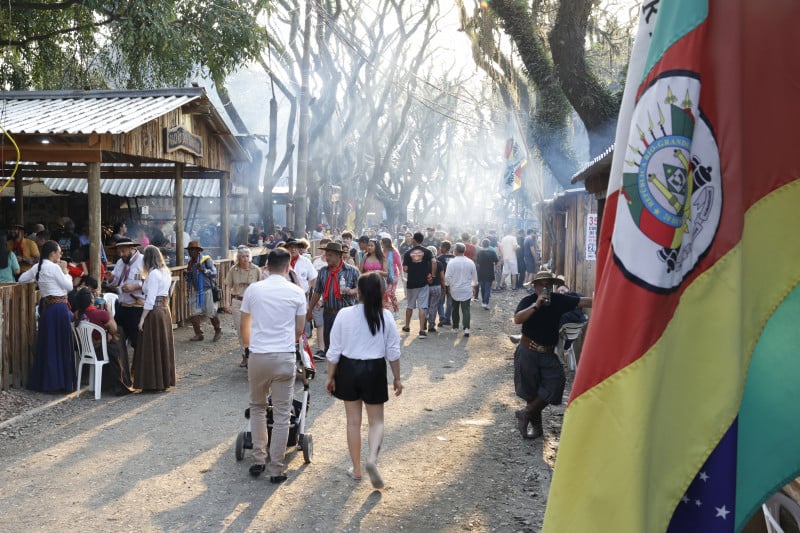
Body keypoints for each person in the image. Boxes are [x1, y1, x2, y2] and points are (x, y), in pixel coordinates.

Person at [325, 271, 402, 489]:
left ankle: (357, 469)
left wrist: (330, 376)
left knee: (353, 422)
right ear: (381, 292)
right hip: (374, 369)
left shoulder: (344, 314)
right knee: (376, 421)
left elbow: (334, 350)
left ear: (358, 291)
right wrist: (397, 378)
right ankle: (372, 460)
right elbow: (393, 351)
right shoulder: (385, 316)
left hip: (348, 369)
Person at [240, 248, 307, 484]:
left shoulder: (254, 290)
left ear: (266, 266)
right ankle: (277, 468)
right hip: (284, 356)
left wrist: (249, 348)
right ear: (289, 267)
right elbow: (299, 330)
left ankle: (259, 458)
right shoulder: (297, 292)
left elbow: (244, 325)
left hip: (259, 355)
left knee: (257, 406)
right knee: (281, 413)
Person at [512, 270, 592, 440]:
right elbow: (517, 319)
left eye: (549, 284)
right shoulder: (528, 301)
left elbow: (583, 301)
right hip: (528, 350)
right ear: (535, 286)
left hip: (548, 352)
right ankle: (537, 427)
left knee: (557, 382)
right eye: (542, 284)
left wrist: (610, 298)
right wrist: (537, 304)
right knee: (531, 391)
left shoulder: (559, 300)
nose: (546, 287)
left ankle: (525, 413)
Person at [19, 241, 75, 392]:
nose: (61, 254)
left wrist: (38, 281)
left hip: (48, 309)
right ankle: (59, 383)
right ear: (52, 253)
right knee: (60, 344)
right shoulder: (55, 267)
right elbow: (69, 287)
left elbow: (22, 279)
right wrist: (66, 272)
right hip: (59, 308)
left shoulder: (37, 267)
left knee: (48, 345)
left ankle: (46, 382)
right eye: (59, 252)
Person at [72, 287, 134, 395]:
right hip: (101, 351)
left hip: (86, 351)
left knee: (113, 338)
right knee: (119, 337)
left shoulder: (76, 315)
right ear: (91, 300)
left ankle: (107, 382)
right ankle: (121, 382)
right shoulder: (100, 314)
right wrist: (109, 311)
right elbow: (114, 329)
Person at [132, 246, 176, 391]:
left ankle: (152, 382)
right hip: (164, 310)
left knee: (152, 346)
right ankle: (163, 381)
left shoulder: (154, 274)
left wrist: (142, 318)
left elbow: (150, 300)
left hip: (155, 312)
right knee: (162, 345)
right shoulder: (165, 272)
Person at [306, 242, 360, 355]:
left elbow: (361, 289)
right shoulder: (323, 272)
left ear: (339, 256)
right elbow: (317, 292)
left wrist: (352, 291)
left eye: (330, 255)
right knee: (330, 346)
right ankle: (333, 369)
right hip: (329, 313)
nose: (327, 258)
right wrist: (310, 310)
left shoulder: (352, 271)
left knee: (346, 346)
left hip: (347, 314)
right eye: (326, 254)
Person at [106, 238, 145, 362]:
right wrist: (111, 278)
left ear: (132, 248)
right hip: (121, 306)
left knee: (138, 342)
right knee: (116, 337)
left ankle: (137, 371)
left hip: (137, 308)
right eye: (119, 252)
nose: (121, 255)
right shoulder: (120, 262)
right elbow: (116, 281)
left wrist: (135, 286)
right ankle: (121, 371)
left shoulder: (143, 261)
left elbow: (151, 282)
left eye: (123, 251)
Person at [223, 246, 262, 367]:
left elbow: (262, 287)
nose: (245, 259)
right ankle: (244, 355)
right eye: (242, 256)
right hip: (238, 301)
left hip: (253, 303)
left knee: (254, 329)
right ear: (238, 258)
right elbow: (227, 286)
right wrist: (226, 302)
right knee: (241, 330)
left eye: (247, 256)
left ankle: (254, 355)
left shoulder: (256, 270)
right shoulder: (233, 270)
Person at [185, 240, 223, 342]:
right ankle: (198, 334)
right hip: (197, 291)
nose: (190, 252)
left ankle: (218, 330)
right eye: (189, 250)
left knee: (211, 311)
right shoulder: (191, 264)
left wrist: (203, 270)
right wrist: (187, 275)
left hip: (208, 289)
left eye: (192, 250)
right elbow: (190, 279)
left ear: (198, 251)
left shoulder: (206, 260)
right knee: (193, 312)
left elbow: (214, 273)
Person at [402, 232, 435, 338]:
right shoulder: (427, 251)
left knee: (410, 306)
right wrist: (432, 275)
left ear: (414, 240)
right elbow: (434, 262)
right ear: (422, 240)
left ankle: (407, 326)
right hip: (423, 283)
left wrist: (412, 268)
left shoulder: (408, 253)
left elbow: (405, 269)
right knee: (422, 306)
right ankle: (421, 330)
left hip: (411, 283)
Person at [444, 242, 478, 338]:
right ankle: (466, 328)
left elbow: (447, 277)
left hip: (455, 288)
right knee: (466, 309)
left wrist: (449, 286)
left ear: (455, 251)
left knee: (455, 308)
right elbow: (474, 277)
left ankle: (455, 327)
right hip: (467, 289)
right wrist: (473, 286)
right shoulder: (470, 262)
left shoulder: (451, 262)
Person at [475, 239, 499, 310]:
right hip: (489, 272)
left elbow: (477, 262)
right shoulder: (492, 252)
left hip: (481, 272)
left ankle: (483, 302)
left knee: (482, 288)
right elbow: (496, 261)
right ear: (489, 244)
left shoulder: (479, 253)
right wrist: (496, 268)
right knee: (488, 288)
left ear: (482, 244)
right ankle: (486, 303)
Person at [380, 236, 402, 315]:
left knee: (390, 293)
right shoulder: (382, 252)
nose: (381, 244)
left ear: (386, 244)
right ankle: (386, 311)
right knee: (385, 293)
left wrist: (402, 277)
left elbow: (399, 265)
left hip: (393, 275)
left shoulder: (394, 252)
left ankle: (396, 311)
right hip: (384, 275)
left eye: (382, 243)